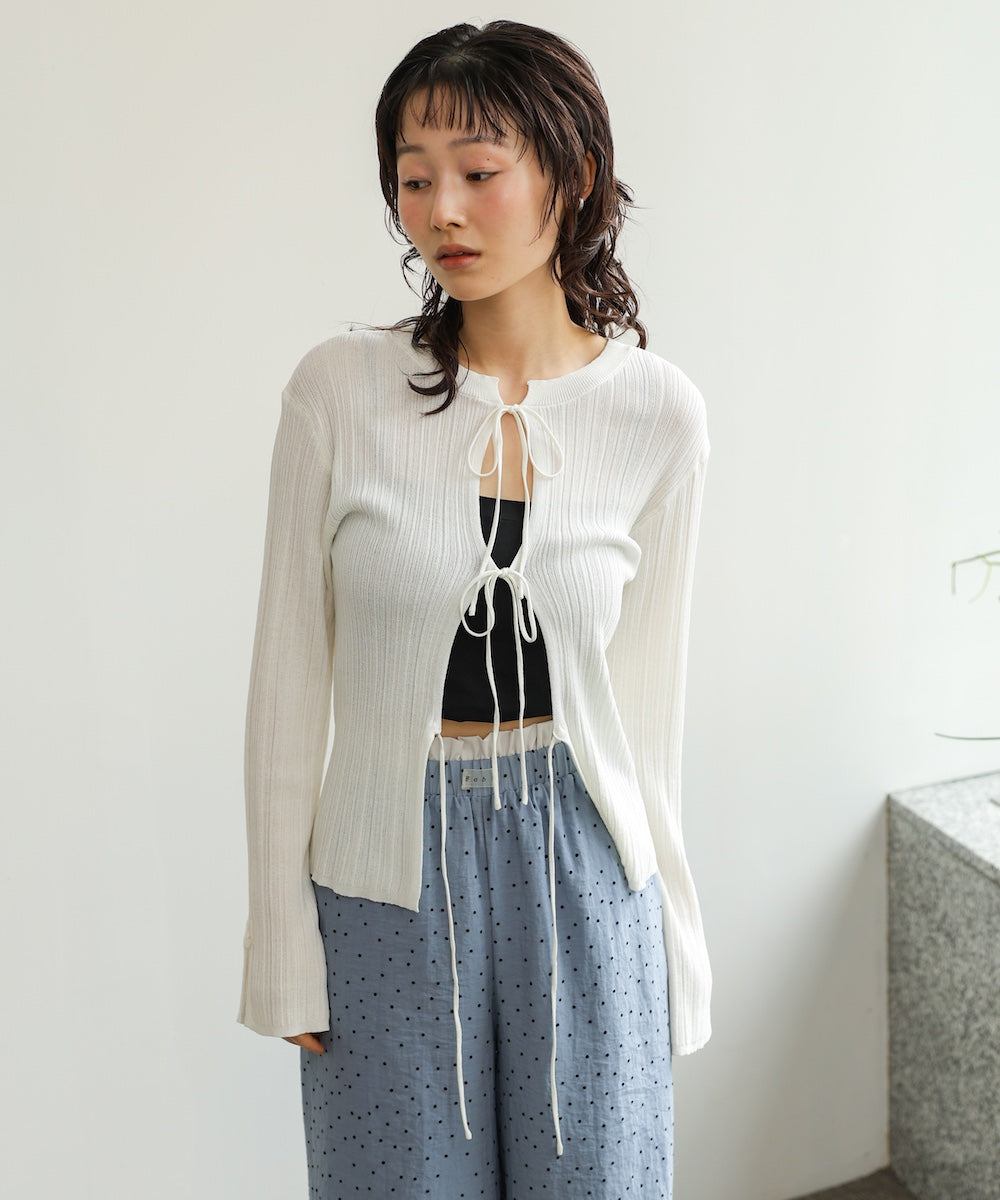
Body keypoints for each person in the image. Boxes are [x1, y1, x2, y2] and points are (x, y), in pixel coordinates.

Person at [237, 18, 712, 1199]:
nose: (440, 210)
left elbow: (648, 719)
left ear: (571, 174)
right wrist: (280, 943)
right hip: (383, 883)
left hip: (590, 879)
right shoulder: (337, 393)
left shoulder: (657, 415)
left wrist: (678, 946)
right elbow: (286, 689)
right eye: (413, 179)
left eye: (479, 171)